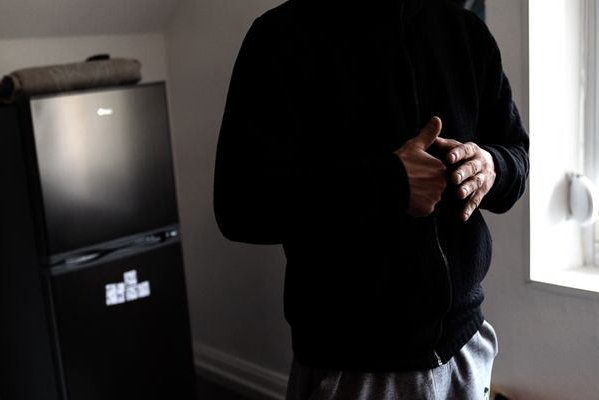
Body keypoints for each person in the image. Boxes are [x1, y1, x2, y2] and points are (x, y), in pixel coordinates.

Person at [213, 0, 529, 398]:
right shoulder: (279, 37)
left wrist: (492, 165)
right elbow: (239, 206)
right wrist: (390, 183)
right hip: (353, 366)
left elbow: (516, 154)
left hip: (467, 348)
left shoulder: (465, 30)